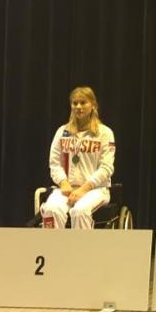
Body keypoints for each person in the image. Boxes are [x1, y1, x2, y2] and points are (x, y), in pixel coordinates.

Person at [41, 86, 116, 229]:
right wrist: (63, 182)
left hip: (95, 190)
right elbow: (54, 163)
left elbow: (106, 168)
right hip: (67, 188)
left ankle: (82, 251)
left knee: (79, 211)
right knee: (51, 209)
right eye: (75, 103)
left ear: (93, 105)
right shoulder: (62, 131)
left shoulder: (104, 133)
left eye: (83, 102)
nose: (79, 107)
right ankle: (52, 250)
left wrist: (84, 189)